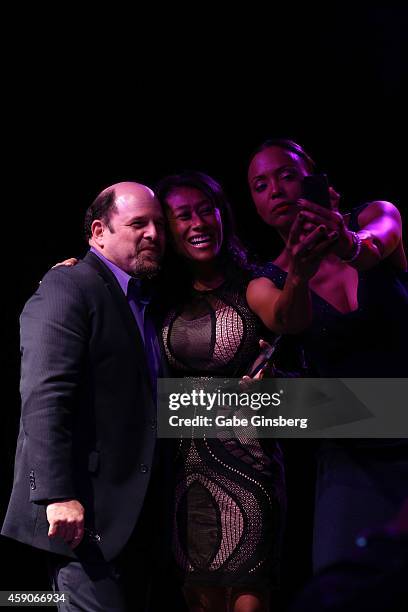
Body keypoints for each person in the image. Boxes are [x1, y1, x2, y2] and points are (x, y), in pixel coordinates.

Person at [2, 182, 168, 611]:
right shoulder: (69, 286)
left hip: (133, 519)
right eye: (138, 223)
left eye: (158, 224)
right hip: (83, 516)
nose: (153, 233)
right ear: (98, 232)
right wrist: (57, 494)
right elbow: (44, 395)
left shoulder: (143, 298)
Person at [246, 138, 408, 572]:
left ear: (315, 179)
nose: (275, 190)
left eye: (286, 175)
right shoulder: (265, 280)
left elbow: (375, 246)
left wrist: (343, 240)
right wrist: (300, 270)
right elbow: (289, 320)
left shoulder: (376, 214)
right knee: (342, 584)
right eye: (260, 185)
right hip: (351, 449)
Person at [155, 171, 294, 612]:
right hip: (186, 475)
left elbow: (294, 340)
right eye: (182, 215)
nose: (197, 222)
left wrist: (277, 386)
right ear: (167, 228)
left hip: (250, 473)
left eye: (204, 210)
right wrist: (78, 267)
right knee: (199, 598)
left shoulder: (255, 282)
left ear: (222, 216)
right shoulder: (159, 297)